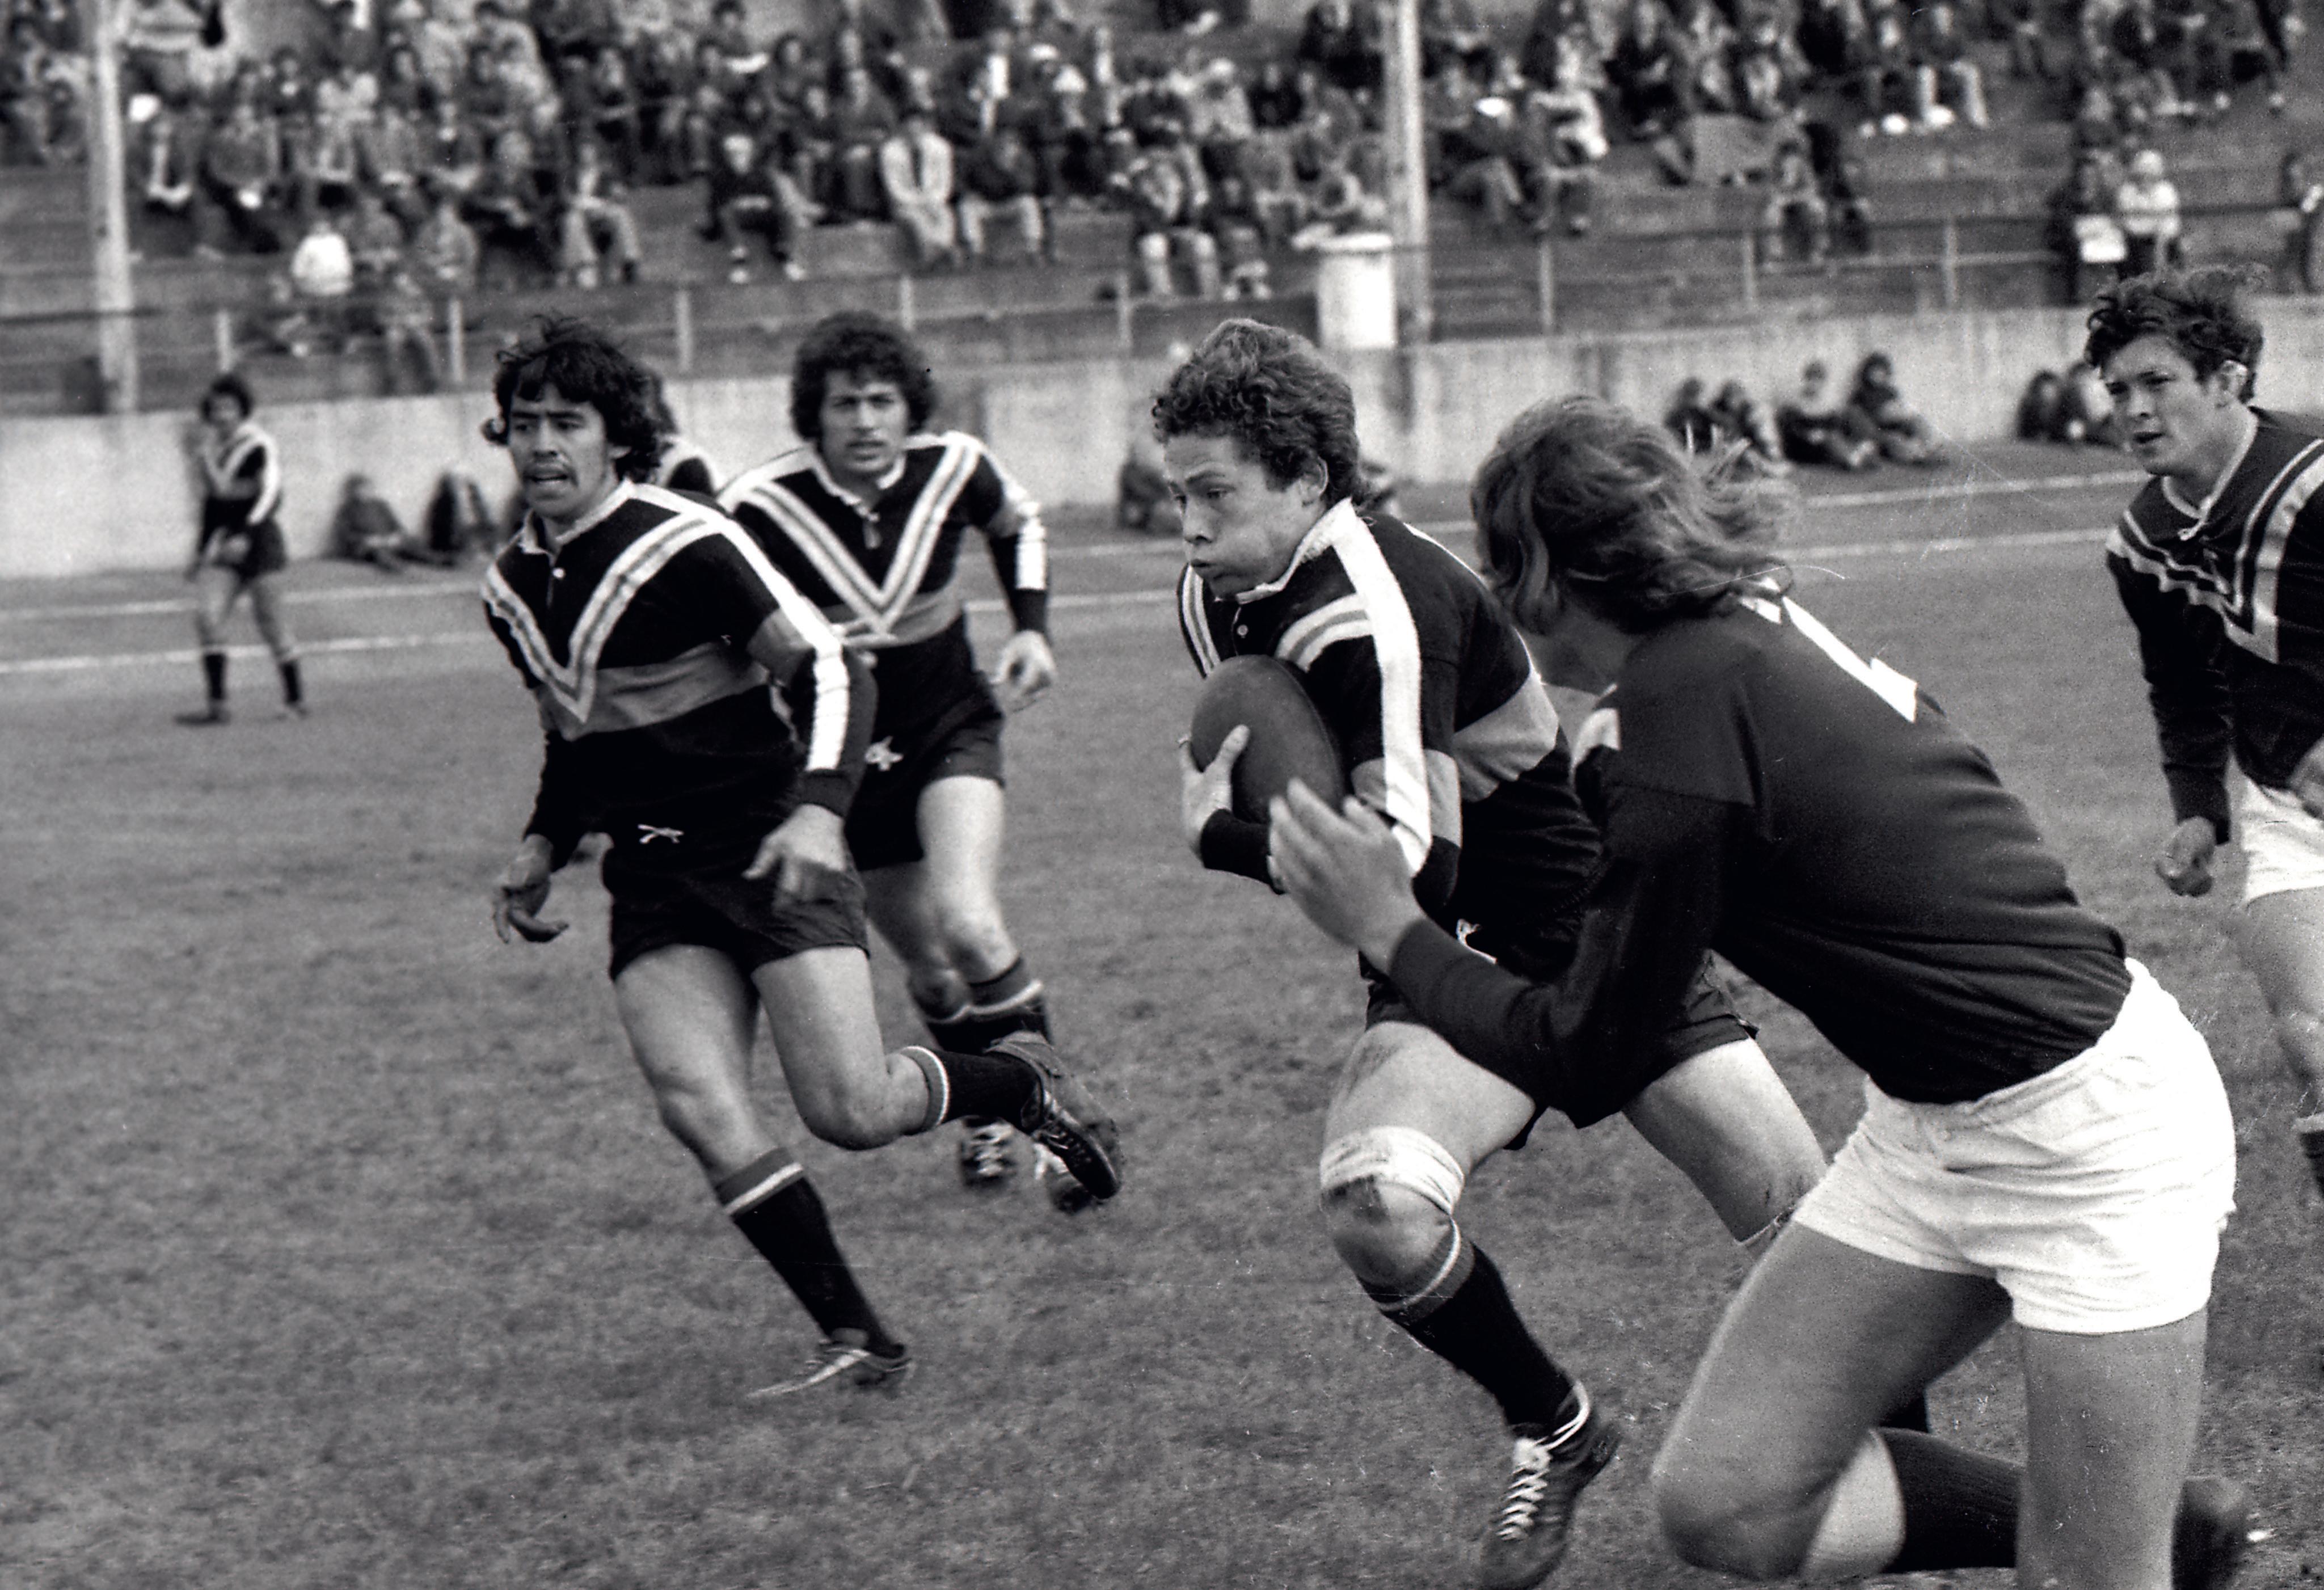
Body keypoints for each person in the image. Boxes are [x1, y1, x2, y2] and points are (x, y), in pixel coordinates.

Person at [1264, 391, 2254, 1590]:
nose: (1491, 589)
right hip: (1934, 1129)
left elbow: (1586, 1050)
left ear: (1555, 574)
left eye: (1500, 559)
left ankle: (2123, 1540)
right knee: (1724, 1502)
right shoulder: (1731, 629)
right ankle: (2148, 1527)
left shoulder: (1665, 720)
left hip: (2093, 1135)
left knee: (2088, 1579)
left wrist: (1391, 927)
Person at [1162, 321, 1838, 1590]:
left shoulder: (1378, 604)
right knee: (1375, 1203)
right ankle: (1556, 1425)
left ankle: (1904, 1514)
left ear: (1304, 479)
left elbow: (1409, 865)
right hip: (1440, 962)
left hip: (1588, 932)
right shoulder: (1217, 594)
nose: (1188, 525)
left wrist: (1225, 840)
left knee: (1815, 1236)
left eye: (1213, 492)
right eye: (1177, 493)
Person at [479, 317, 1120, 1397]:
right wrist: (544, 838)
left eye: (568, 422)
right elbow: (573, 732)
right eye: (526, 423)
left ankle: (1021, 1080)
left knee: (852, 1110)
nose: (544, 444)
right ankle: (861, 1339)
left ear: (616, 435)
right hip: (654, 876)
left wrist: (821, 813)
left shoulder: (686, 542)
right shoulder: (509, 586)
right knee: (695, 1102)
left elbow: (829, 671)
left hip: (767, 847)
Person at [719, 314, 1072, 1197]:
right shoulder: (757, 505)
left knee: (970, 921)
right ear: (815, 412)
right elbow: (713, 609)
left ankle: (1066, 1124)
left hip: (950, 726)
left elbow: (1018, 522)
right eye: (845, 403)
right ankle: (986, 1107)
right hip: (843, 769)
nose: (866, 420)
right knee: (933, 972)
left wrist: (1031, 629)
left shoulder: (953, 465)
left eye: (882, 400)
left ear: (909, 406)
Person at [2090, 267, 2324, 1207]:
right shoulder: (2141, 542)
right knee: (2313, 1038)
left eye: (2157, 382)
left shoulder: (2312, 480)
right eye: (2117, 390)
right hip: (2290, 813)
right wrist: (2197, 809)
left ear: (2227, 379)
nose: (2135, 410)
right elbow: (2184, 684)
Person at [179, 374, 303, 726]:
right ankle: (217, 705)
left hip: (260, 543)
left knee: (271, 623)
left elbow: (271, 495)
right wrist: (201, 552)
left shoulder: (259, 445)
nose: (222, 415)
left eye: (229, 408)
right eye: (216, 409)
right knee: (207, 616)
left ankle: (295, 700)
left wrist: (246, 534)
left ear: (242, 410)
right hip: (227, 546)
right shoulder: (210, 451)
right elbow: (212, 506)